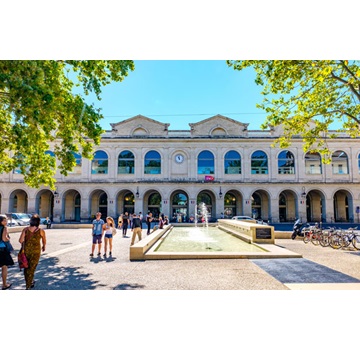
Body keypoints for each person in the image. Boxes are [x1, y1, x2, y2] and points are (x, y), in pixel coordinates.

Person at [18, 214, 46, 290]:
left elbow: (20, 240)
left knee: (26, 267)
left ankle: (29, 281)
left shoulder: (25, 230)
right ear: (38, 222)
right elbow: (44, 240)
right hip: (36, 251)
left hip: (26, 250)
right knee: (32, 267)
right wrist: (44, 246)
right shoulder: (41, 231)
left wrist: (25, 242)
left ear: (31, 221)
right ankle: (28, 285)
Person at [0, 215, 14, 290]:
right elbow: (4, 239)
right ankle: (4, 284)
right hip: (2, 249)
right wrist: (8, 238)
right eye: (4, 220)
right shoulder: (4, 228)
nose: (6, 221)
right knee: (4, 267)